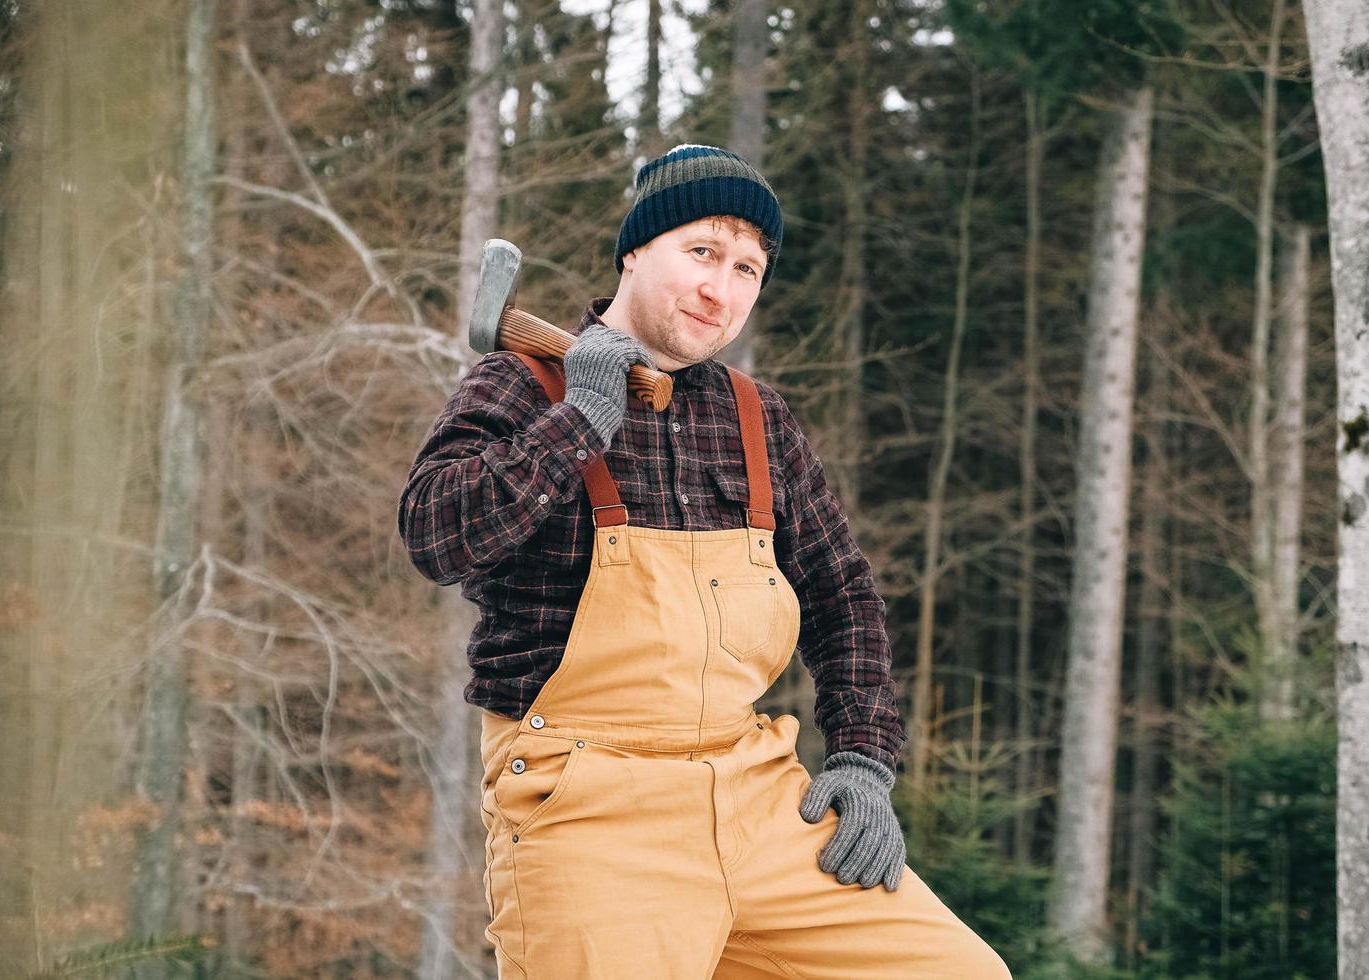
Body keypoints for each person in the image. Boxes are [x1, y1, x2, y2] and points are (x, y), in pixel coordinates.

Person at [397, 143, 1010, 979]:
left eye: (748, 269)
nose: (721, 290)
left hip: (754, 792)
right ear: (635, 251)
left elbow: (841, 594)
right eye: (701, 253)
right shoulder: (522, 386)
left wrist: (864, 759)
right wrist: (580, 418)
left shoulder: (760, 419)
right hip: (587, 804)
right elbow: (434, 535)